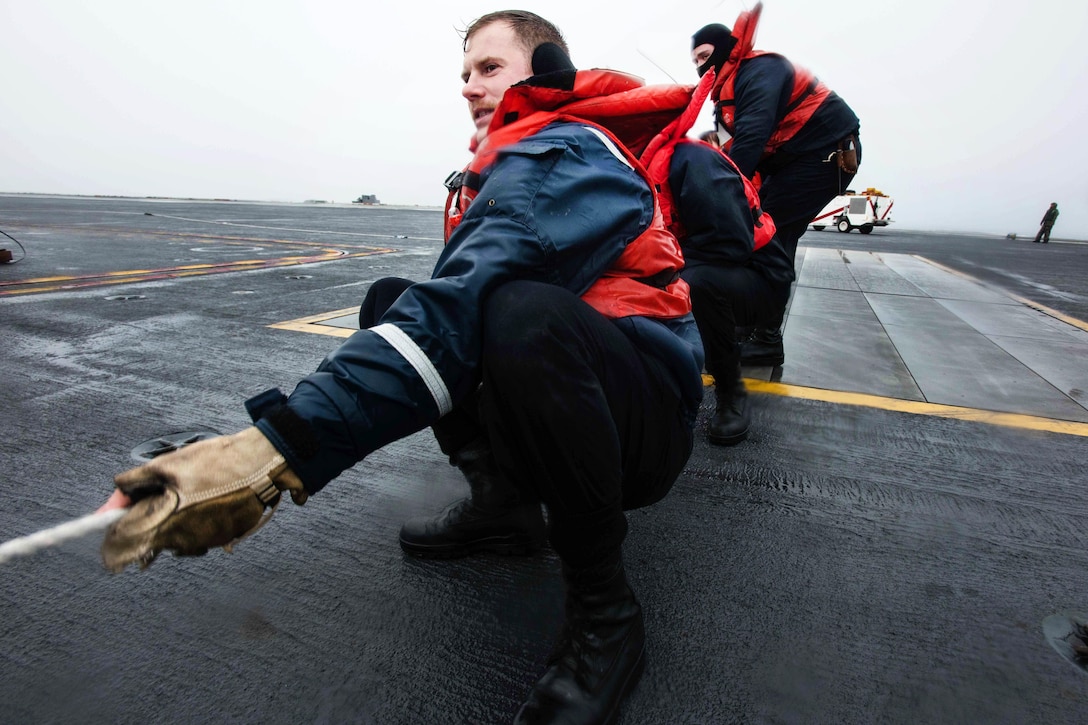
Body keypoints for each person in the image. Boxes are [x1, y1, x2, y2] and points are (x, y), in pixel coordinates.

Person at [98, 10, 705, 725]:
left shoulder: (570, 149)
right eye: (464, 73)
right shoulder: (514, 159)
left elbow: (460, 314)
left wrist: (278, 444)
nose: (469, 86)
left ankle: (607, 614)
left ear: (542, 75)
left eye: (489, 68)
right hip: (589, 389)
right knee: (398, 300)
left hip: (646, 421)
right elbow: (438, 322)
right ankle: (504, 509)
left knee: (518, 318)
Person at [691, 2, 861, 367]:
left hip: (825, 152)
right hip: (789, 161)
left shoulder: (761, 69)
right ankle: (750, 324)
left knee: (771, 233)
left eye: (705, 56)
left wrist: (717, 197)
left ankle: (766, 338)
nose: (701, 66)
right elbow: (729, 146)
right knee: (762, 232)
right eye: (695, 62)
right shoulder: (724, 100)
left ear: (725, 49)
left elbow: (752, 139)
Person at [670, 139, 794, 445]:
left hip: (760, 276)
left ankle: (731, 390)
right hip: (711, 264)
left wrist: (661, 263)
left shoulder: (692, 161)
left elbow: (729, 241)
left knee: (694, 284)